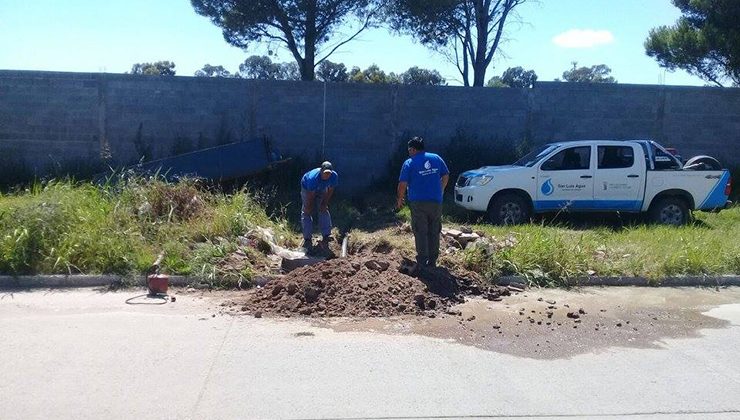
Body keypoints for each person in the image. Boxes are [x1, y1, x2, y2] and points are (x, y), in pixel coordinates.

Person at [396, 137, 449, 268]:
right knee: (434, 230)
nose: (409, 152)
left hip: (418, 203)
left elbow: (402, 184)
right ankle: (433, 261)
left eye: (409, 150)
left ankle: (422, 261)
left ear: (413, 149)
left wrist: (399, 199)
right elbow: (446, 175)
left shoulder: (409, 162)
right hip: (436, 202)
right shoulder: (436, 158)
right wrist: (441, 190)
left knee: (421, 230)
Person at [300, 161, 338, 249]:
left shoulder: (334, 176)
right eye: (325, 173)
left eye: (329, 173)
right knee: (307, 211)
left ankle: (326, 234)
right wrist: (309, 206)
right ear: (321, 171)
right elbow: (310, 195)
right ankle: (307, 238)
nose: (327, 175)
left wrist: (324, 203)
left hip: (322, 188)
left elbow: (330, 190)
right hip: (307, 188)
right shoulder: (312, 178)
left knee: (323, 209)